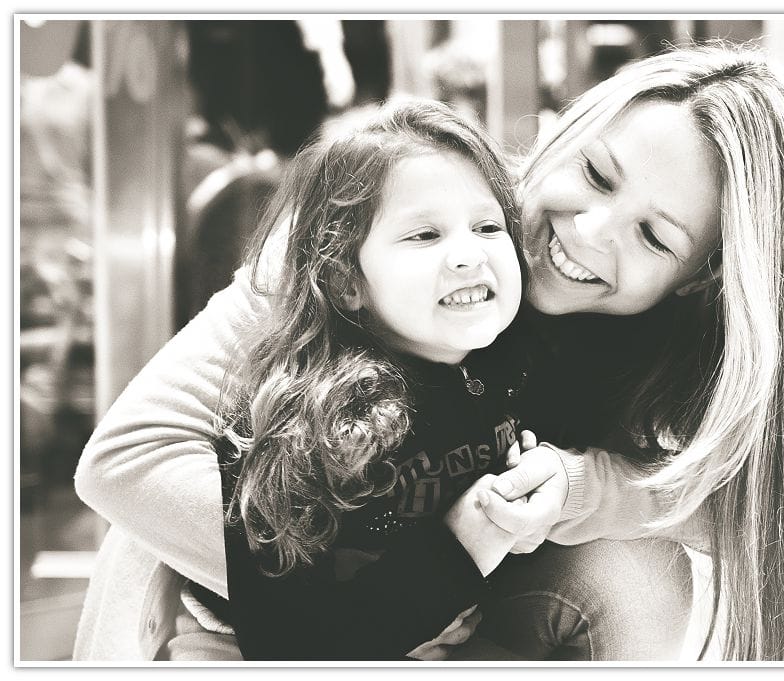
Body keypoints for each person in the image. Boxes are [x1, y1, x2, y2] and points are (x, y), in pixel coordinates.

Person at [74, 43, 784, 662]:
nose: (591, 230)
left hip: (440, 614)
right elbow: (125, 459)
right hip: (235, 607)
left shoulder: (674, 344)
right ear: (562, 130)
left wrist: (581, 488)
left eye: (653, 236)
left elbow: (741, 506)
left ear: (698, 279)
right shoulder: (383, 217)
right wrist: (404, 577)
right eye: (597, 173)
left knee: (644, 576)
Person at [189, 100, 548, 660]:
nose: (467, 255)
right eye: (424, 235)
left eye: (487, 226)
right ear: (345, 282)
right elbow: (287, 642)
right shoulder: (303, 425)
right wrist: (463, 552)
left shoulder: (509, 366)